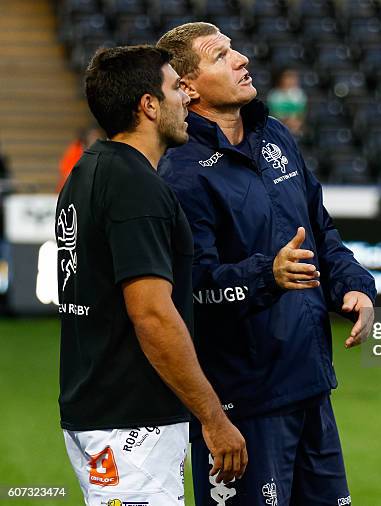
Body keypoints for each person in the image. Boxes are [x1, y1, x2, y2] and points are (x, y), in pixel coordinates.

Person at [157, 23, 376, 505]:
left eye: (236, 49)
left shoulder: (275, 134)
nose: (241, 60)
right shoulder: (180, 172)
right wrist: (267, 275)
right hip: (243, 402)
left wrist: (354, 284)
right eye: (221, 56)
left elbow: (321, 230)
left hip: (311, 384)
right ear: (187, 86)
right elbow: (192, 289)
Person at [56, 45, 247, 506]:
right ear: (148, 105)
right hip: (130, 425)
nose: (186, 99)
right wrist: (214, 418)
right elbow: (153, 317)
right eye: (175, 89)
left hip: (96, 413)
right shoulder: (136, 187)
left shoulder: (87, 171)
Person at [57, 124, 102, 192]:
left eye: (97, 136)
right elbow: (67, 173)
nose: (95, 139)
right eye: (92, 136)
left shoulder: (103, 152)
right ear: (87, 137)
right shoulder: (76, 150)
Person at [267, 69, 307, 137]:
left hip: (296, 126)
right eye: (288, 77)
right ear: (281, 79)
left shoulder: (299, 94)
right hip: (280, 126)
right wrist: (286, 121)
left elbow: (302, 114)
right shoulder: (274, 95)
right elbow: (274, 114)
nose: (291, 81)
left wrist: (296, 122)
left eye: (293, 78)